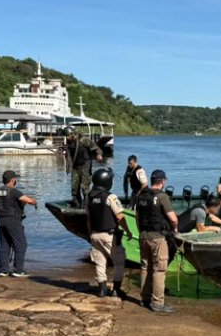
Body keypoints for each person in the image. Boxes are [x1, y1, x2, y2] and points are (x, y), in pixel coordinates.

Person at [135, 169, 178, 313]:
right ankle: (158, 302)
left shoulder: (142, 195)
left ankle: (145, 299)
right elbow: (173, 218)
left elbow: (137, 217)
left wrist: (141, 231)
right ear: (162, 181)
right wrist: (175, 229)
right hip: (158, 238)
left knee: (145, 268)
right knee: (159, 270)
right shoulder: (162, 196)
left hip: (143, 236)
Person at [86, 168, 133, 298]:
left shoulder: (89, 197)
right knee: (119, 261)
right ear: (107, 182)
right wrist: (128, 231)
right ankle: (116, 290)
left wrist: (90, 235)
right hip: (109, 235)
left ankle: (102, 290)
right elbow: (119, 217)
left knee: (100, 262)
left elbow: (89, 219)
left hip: (95, 234)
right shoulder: (110, 197)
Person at [0, 170, 37, 277]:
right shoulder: (14, 191)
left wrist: (3, 205)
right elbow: (28, 200)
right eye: (16, 179)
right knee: (21, 244)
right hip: (13, 221)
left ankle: (3, 270)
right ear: (13, 180)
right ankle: (18, 270)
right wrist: (34, 201)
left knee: (4, 245)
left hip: (1, 221)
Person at [65, 128, 103, 207]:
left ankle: (87, 206)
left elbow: (95, 147)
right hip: (75, 167)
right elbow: (69, 155)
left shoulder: (83, 140)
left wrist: (99, 154)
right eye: (66, 136)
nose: (67, 137)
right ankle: (77, 205)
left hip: (85, 165)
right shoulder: (69, 143)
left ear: (72, 134)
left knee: (85, 188)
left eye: (68, 135)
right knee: (74, 189)